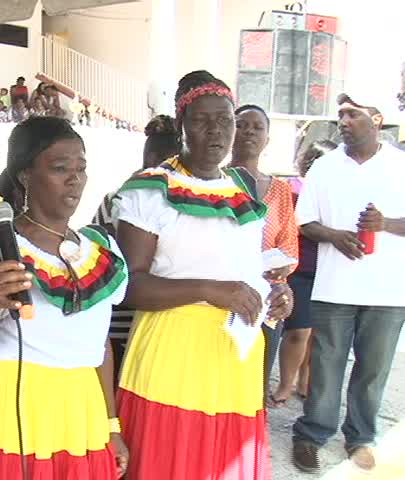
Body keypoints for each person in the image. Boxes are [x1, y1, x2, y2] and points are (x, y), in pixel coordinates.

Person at [114, 71, 292, 479]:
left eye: (225, 119)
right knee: (170, 461)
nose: (216, 131)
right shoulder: (150, 189)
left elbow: (248, 268)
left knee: (221, 462)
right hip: (171, 348)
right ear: (181, 126)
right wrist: (209, 291)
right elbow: (130, 286)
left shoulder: (242, 189)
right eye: (201, 120)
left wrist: (274, 294)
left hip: (233, 353)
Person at [0, 116, 130, 479]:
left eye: (81, 168)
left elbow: (101, 347)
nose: (74, 179)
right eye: (60, 168)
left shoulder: (102, 250)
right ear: (25, 176)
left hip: (81, 413)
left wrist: (112, 425)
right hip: (9, 410)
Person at [291, 94, 405, 473]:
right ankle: (311, 435)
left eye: (352, 114)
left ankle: (360, 438)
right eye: (340, 114)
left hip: (388, 291)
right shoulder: (324, 167)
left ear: (376, 118)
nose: (343, 120)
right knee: (326, 365)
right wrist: (336, 236)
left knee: (373, 369)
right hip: (334, 287)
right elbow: (304, 221)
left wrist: (385, 225)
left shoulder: (400, 164)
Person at [92, 114, 180, 383]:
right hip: (123, 327)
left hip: (158, 325)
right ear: (153, 159)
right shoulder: (122, 200)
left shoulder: (116, 197)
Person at [228, 104, 300, 406]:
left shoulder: (280, 190)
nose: (249, 132)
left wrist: (276, 272)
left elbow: (289, 246)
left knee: (254, 383)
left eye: (257, 128)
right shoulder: (214, 181)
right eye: (242, 125)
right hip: (222, 293)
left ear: (267, 139)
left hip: (266, 295)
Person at [279, 141, 336, 402]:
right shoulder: (292, 190)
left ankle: (305, 382)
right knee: (298, 331)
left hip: (328, 269)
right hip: (299, 269)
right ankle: (285, 385)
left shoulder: (336, 192)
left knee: (315, 334)